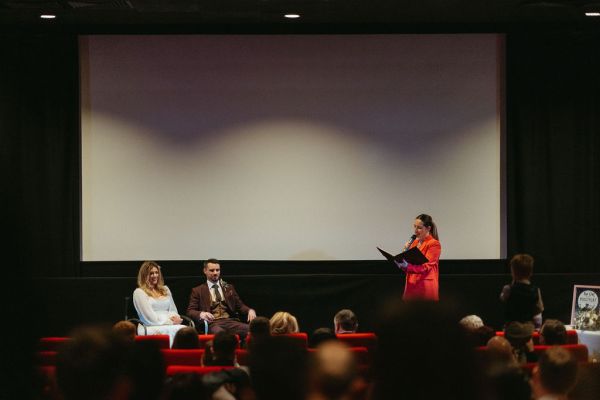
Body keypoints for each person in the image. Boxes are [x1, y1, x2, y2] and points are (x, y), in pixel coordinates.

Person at [186, 258, 256, 335]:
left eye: (217, 270)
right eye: (212, 270)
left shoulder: (228, 288)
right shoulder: (198, 290)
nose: (215, 273)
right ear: (205, 271)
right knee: (220, 334)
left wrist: (250, 310)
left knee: (252, 330)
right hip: (212, 323)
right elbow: (190, 311)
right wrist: (201, 314)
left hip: (230, 321)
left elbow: (240, 305)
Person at [133, 261, 187, 347]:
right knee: (177, 330)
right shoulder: (139, 292)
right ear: (144, 275)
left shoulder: (165, 289)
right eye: (151, 273)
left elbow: (173, 310)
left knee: (184, 329)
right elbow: (148, 318)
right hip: (149, 326)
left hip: (169, 323)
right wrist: (169, 322)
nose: (155, 276)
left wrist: (175, 318)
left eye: (156, 272)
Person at [395, 213, 442, 301]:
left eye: (419, 228)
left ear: (428, 228)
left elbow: (426, 267)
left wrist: (407, 266)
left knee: (424, 313)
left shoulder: (434, 244)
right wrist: (402, 259)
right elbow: (410, 265)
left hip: (425, 286)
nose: (415, 231)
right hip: (411, 284)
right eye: (414, 226)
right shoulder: (414, 243)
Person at [500, 253, 544, 328]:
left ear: (513, 271)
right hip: (528, 330)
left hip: (511, 329)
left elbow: (502, 299)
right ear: (530, 272)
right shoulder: (535, 290)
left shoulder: (508, 288)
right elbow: (538, 312)